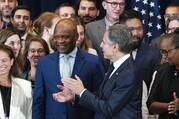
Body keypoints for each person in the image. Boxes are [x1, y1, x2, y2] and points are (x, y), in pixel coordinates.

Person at [53, 24, 142, 119]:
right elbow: (101, 97)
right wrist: (75, 96)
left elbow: (109, 109)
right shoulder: (115, 66)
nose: (101, 45)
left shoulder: (129, 73)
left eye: (104, 42)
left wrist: (82, 91)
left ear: (115, 47)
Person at [32, 18, 104, 119]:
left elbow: (99, 98)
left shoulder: (93, 62)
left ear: (76, 37)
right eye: (57, 37)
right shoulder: (44, 63)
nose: (60, 41)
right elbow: (38, 99)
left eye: (65, 37)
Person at [147, 29, 179, 119]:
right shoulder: (162, 71)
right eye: (162, 52)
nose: (164, 56)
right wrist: (169, 106)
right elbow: (150, 104)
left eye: (167, 52)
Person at [86, 0, 126, 72]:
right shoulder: (90, 28)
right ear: (104, 5)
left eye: (122, 4)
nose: (118, 8)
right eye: (114, 4)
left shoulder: (129, 28)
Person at [0, 44, 32, 119]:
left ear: (11, 62)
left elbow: (30, 114)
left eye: (4, 60)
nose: (1, 64)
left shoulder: (25, 86)